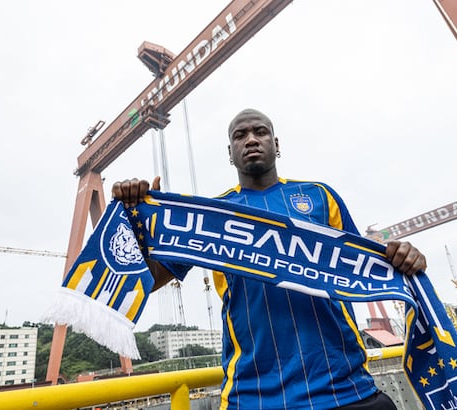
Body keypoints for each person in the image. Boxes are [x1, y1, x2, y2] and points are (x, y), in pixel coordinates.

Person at [112, 108, 427, 409]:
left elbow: (370, 268)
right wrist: (139, 227)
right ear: (230, 153)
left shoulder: (321, 196)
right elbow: (147, 280)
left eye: (260, 132)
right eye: (240, 135)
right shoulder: (211, 216)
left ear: (276, 145)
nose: (251, 139)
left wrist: (406, 259)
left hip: (346, 389)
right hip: (254, 396)